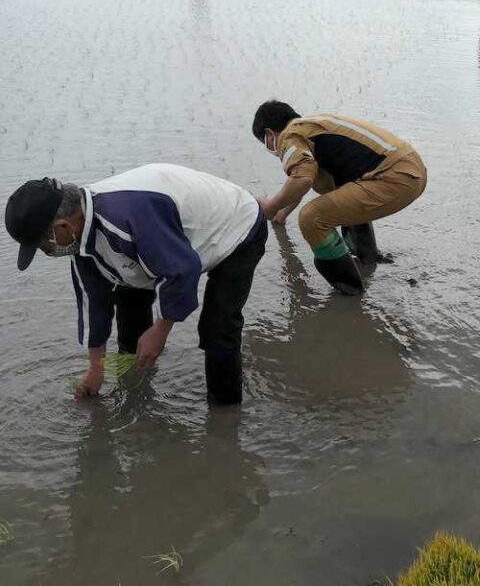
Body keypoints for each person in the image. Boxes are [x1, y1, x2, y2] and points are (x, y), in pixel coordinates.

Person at [3, 163, 267, 404]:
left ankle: (224, 414)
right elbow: (94, 303)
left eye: (42, 245)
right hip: (173, 241)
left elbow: (181, 270)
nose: (45, 252)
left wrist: (160, 331)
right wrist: (96, 369)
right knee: (127, 294)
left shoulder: (126, 219)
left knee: (218, 326)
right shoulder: (80, 237)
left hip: (236, 228)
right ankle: (137, 385)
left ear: (62, 226)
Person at [252, 102, 427, 295]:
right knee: (337, 190)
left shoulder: (288, 135)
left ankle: (350, 291)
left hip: (395, 177)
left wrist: (269, 207)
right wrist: (282, 212)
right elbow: (307, 176)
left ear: (269, 135)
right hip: (411, 169)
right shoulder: (312, 126)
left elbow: (302, 178)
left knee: (311, 218)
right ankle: (367, 258)